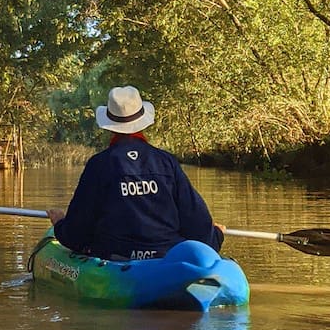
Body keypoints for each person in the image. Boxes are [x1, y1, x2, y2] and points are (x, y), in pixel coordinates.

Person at [46, 85, 224, 260]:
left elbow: (77, 234)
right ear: (142, 122)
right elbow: (196, 222)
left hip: (115, 256)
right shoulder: (167, 162)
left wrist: (60, 225)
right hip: (167, 257)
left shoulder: (99, 165)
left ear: (110, 126)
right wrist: (215, 235)